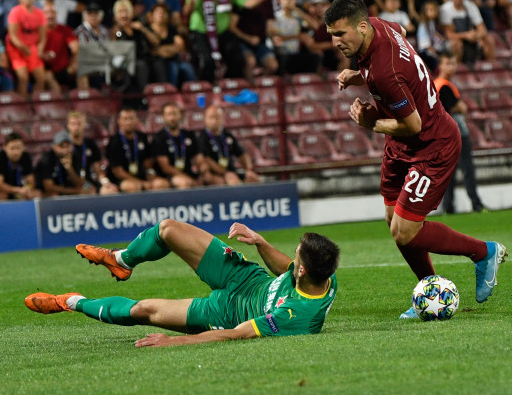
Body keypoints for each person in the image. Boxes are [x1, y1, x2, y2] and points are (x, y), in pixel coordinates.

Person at [324, 0, 507, 318]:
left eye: (341, 34)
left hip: (431, 144)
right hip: (401, 146)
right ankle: (430, 290)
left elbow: (413, 124)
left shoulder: (385, 71)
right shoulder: (382, 28)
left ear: (362, 27)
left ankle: (484, 252)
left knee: (405, 230)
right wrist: (359, 75)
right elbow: (403, 36)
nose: (336, 42)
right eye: (332, 35)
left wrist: (371, 123)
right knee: (394, 221)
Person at [25, 220, 339, 347]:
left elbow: (236, 333)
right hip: (245, 278)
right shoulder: (323, 273)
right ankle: (120, 261)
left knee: (143, 311)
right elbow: (283, 267)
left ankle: (69, 302)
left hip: (227, 314)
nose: (292, 260)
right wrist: (259, 242)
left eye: (297, 257)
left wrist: (173, 341)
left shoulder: (295, 316)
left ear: (303, 272)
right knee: (168, 229)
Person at [183, 0, 267, 82]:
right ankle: (207, 87)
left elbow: (247, 3)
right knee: (207, 60)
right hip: (201, 31)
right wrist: (190, 4)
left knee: (237, 59)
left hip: (222, 32)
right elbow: (186, 12)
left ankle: (230, 85)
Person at [434, 51, 485, 214]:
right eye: (447, 63)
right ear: (440, 66)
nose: (451, 67)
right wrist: (460, 106)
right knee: (467, 169)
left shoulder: (437, 84)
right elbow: (454, 107)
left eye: (453, 63)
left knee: (449, 173)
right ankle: (476, 204)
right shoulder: (443, 85)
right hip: (457, 133)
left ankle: (448, 207)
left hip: (444, 136)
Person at [105, 107, 170, 193]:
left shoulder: (142, 137)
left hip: (142, 176)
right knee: (133, 187)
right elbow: (118, 172)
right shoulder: (114, 142)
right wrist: (141, 182)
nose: (129, 122)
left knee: (162, 184)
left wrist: (150, 173)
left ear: (136, 120)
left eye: (131, 118)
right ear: (119, 121)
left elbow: (147, 160)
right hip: (122, 180)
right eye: (125, 119)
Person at [228, 0, 279, 82]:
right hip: (242, 42)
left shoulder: (267, 3)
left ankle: (260, 86)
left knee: (273, 65)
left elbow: (269, 27)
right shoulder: (242, 1)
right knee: (250, 61)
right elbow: (231, 27)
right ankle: (250, 88)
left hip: (260, 42)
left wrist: (275, 36)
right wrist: (248, 38)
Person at [112, 0, 165, 92]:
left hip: (145, 56)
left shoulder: (139, 27)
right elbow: (115, 42)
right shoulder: (117, 31)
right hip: (129, 61)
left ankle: (163, 92)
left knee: (158, 63)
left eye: (126, 11)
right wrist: (118, 32)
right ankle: (144, 96)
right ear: (116, 15)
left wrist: (143, 29)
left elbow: (156, 42)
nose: (124, 15)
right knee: (142, 66)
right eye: (121, 12)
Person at [199, 104, 260, 185]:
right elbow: (207, 160)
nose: (214, 121)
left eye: (217, 117)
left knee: (254, 178)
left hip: (232, 171)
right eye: (211, 117)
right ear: (205, 119)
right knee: (231, 181)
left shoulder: (228, 136)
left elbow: (242, 154)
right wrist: (225, 173)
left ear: (223, 119)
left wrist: (248, 169)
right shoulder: (202, 138)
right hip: (215, 173)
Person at [6, 0, 48, 98]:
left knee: (41, 78)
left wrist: (40, 48)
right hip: (17, 48)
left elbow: (42, 36)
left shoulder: (40, 13)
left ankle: (36, 103)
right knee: (23, 77)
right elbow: (13, 35)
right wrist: (23, 47)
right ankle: (22, 105)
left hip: (31, 46)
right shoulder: (15, 12)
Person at [151, 102, 206, 189]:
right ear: (163, 117)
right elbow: (165, 167)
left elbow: (199, 159)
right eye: (169, 114)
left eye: (175, 114)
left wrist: (203, 171)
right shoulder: (158, 138)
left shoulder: (189, 135)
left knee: (208, 178)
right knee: (184, 183)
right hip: (169, 176)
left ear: (180, 115)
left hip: (189, 173)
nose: (172, 118)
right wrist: (188, 178)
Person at [439, 0, 494, 65]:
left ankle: (491, 68)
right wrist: (466, 35)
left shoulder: (471, 6)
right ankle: (458, 72)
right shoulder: (445, 9)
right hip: (454, 41)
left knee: (489, 39)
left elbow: (482, 29)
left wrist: (476, 36)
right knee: (456, 44)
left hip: (471, 39)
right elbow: (449, 35)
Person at [66, 111, 119, 194]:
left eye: (79, 124)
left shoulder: (90, 144)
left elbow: (97, 168)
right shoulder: (64, 146)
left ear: (84, 125)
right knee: (88, 191)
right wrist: (86, 185)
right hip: (70, 184)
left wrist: (105, 182)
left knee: (110, 191)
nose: (76, 127)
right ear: (68, 126)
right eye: (73, 124)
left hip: (89, 183)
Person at [148, 3, 197, 88]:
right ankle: (171, 93)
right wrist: (171, 48)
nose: (161, 15)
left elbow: (181, 46)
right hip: (157, 62)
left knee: (188, 67)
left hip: (174, 59)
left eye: (164, 12)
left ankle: (193, 92)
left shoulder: (171, 29)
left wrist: (165, 50)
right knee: (173, 68)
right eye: (158, 12)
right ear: (152, 15)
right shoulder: (148, 30)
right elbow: (154, 51)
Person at [34, 130, 94, 197]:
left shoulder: (75, 156)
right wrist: (75, 191)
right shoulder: (47, 159)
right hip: (50, 193)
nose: (65, 150)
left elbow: (80, 183)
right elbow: (49, 187)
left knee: (90, 189)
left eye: (68, 146)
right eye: (62, 146)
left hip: (68, 188)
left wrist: (70, 169)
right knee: (54, 195)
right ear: (54, 147)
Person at [0, 132, 41, 201]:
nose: (15, 152)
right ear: (5, 147)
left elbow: (31, 180)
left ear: (23, 147)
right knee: (1, 195)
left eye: (18, 148)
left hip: (17, 189)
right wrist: (17, 190)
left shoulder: (26, 157)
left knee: (36, 194)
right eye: (12, 148)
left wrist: (27, 189)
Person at [42, 3, 80, 91]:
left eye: (53, 12)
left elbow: (76, 48)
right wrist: (43, 55)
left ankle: (85, 102)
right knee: (48, 76)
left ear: (56, 14)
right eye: (47, 12)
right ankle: (59, 103)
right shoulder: (38, 31)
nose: (50, 15)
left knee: (81, 73)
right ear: (42, 15)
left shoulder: (65, 29)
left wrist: (74, 62)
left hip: (65, 69)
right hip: (46, 69)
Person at [415, 0, 447, 72]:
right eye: (430, 10)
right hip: (427, 53)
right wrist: (438, 57)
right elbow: (426, 46)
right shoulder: (423, 25)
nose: (433, 12)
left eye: (434, 9)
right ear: (425, 12)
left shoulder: (438, 24)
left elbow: (443, 40)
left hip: (439, 50)